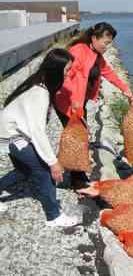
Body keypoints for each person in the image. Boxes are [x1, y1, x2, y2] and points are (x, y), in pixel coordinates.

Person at [0, 48, 80, 227]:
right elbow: (37, 132)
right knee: (45, 171)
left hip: (9, 130)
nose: (69, 74)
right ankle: (53, 216)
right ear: (55, 70)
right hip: (11, 136)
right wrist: (53, 162)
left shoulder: (40, 82)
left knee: (23, 170)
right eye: (67, 70)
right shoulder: (40, 93)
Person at [54, 22, 133, 188]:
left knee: (80, 137)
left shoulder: (96, 54)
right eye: (106, 42)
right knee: (78, 138)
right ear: (94, 38)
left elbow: (108, 72)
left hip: (79, 102)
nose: (107, 46)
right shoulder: (78, 51)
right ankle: (78, 181)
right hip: (67, 101)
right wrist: (74, 99)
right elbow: (64, 77)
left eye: (109, 43)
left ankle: (77, 175)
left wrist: (125, 89)